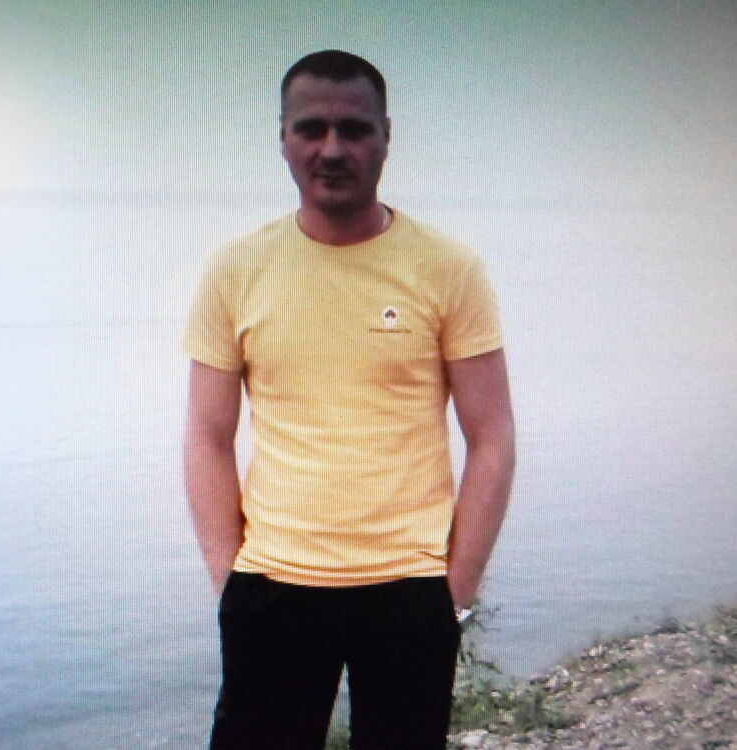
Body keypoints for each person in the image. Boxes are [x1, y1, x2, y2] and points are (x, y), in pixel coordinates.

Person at [183, 49, 515, 750]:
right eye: (311, 128)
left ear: (385, 137)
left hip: (409, 587)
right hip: (273, 582)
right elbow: (207, 436)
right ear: (283, 137)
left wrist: (454, 592)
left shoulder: (449, 269)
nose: (332, 149)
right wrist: (227, 577)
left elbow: (492, 437)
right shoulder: (234, 271)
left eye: (354, 129)